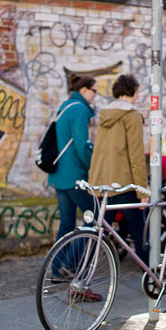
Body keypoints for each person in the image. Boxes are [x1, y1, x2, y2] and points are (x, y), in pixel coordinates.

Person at [89, 74, 150, 264]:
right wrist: (142, 190)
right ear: (132, 91)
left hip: (102, 182)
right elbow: (136, 157)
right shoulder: (131, 116)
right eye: (138, 92)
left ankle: (81, 278)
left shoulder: (105, 115)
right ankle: (153, 278)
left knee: (98, 233)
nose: (138, 96)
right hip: (124, 184)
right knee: (141, 234)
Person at [48, 75, 97, 242]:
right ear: (84, 90)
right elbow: (81, 144)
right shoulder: (79, 110)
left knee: (66, 224)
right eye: (94, 91)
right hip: (74, 175)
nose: (95, 95)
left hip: (59, 174)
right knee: (93, 219)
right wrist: (93, 167)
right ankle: (73, 263)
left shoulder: (65, 106)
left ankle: (56, 267)